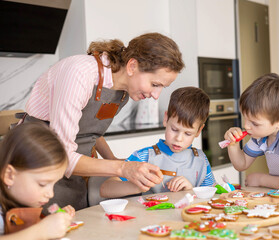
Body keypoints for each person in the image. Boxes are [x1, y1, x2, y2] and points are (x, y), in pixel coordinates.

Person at [22, 32, 185, 210]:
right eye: (155, 84)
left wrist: (114, 159)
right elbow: (62, 157)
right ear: (132, 66)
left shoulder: (123, 90)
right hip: (39, 165)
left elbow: (89, 131)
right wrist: (122, 168)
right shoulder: (80, 74)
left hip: (77, 171)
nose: (156, 96)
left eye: (162, 87)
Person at [100, 87, 216, 198]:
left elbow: (213, 195)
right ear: (166, 119)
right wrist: (138, 186)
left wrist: (190, 190)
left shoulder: (201, 159)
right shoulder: (144, 157)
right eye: (174, 129)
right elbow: (105, 189)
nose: (179, 139)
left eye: (188, 133)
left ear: (198, 131)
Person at [0, 122, 75, 239]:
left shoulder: (20, 201)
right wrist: (41, 231)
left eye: (54, 184)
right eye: (42, 184)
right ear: (9, 175)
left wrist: (56, 219)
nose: (51, 194)